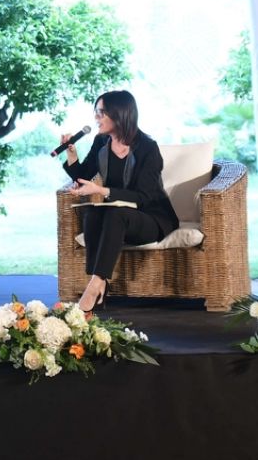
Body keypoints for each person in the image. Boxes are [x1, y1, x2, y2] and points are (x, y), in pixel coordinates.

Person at [60, 90, 178, 313]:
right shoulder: (101, 141)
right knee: (93, 213)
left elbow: (144, 197)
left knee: (115, 213)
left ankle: (95, 285)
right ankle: (99, 283)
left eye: (101, 113)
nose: (96, 118)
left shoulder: (148, 148)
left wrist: (102, 189)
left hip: (152, 217)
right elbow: (83, 176)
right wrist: (71, 153)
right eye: (96, 112)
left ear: (120, 114)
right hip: (119, 217)